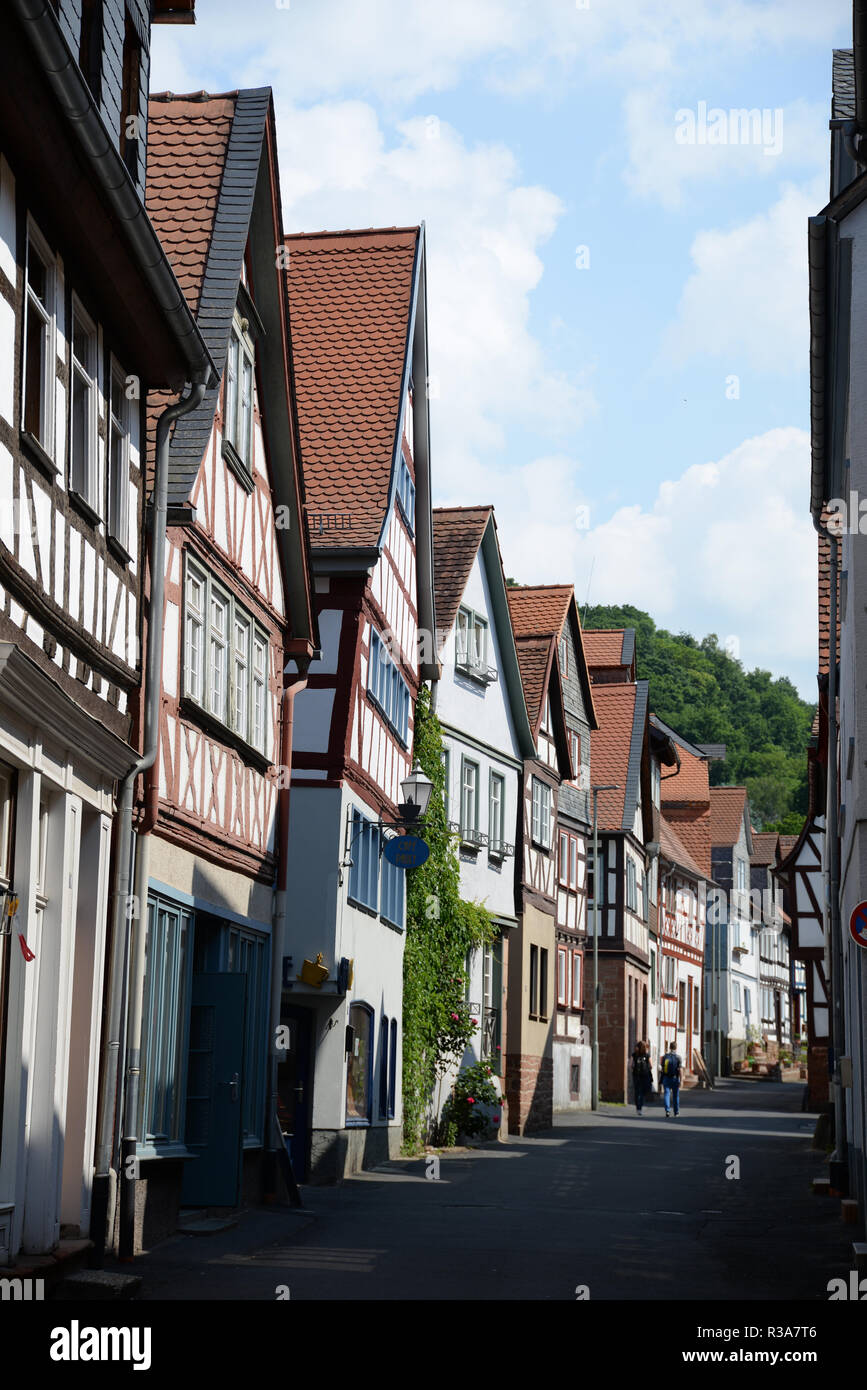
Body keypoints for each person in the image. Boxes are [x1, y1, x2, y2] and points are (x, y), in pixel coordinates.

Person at [659, 1040, 682, 1117]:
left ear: (669, 1047)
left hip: (666, 1078)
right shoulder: (678, 1057)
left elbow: (662, 1069)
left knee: (666, 1094)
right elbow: (680, 1070)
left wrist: (661, 1079)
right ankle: (676, 1112)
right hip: (675, 1078)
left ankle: (667, 1111)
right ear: (676, 1048)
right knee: (676, 1096)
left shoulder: (665, 1057)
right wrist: (681, 1080)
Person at [631, 1040, 653, 1114]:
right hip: (645, 1075)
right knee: (642, 1092)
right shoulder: (647, 1055)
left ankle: (638, 1108)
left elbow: (631, 1065)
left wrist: (633, 1070)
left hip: (636, 1075)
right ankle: (640, 1106)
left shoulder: (634, 1055)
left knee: (637, 1091)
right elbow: (651, 1065)